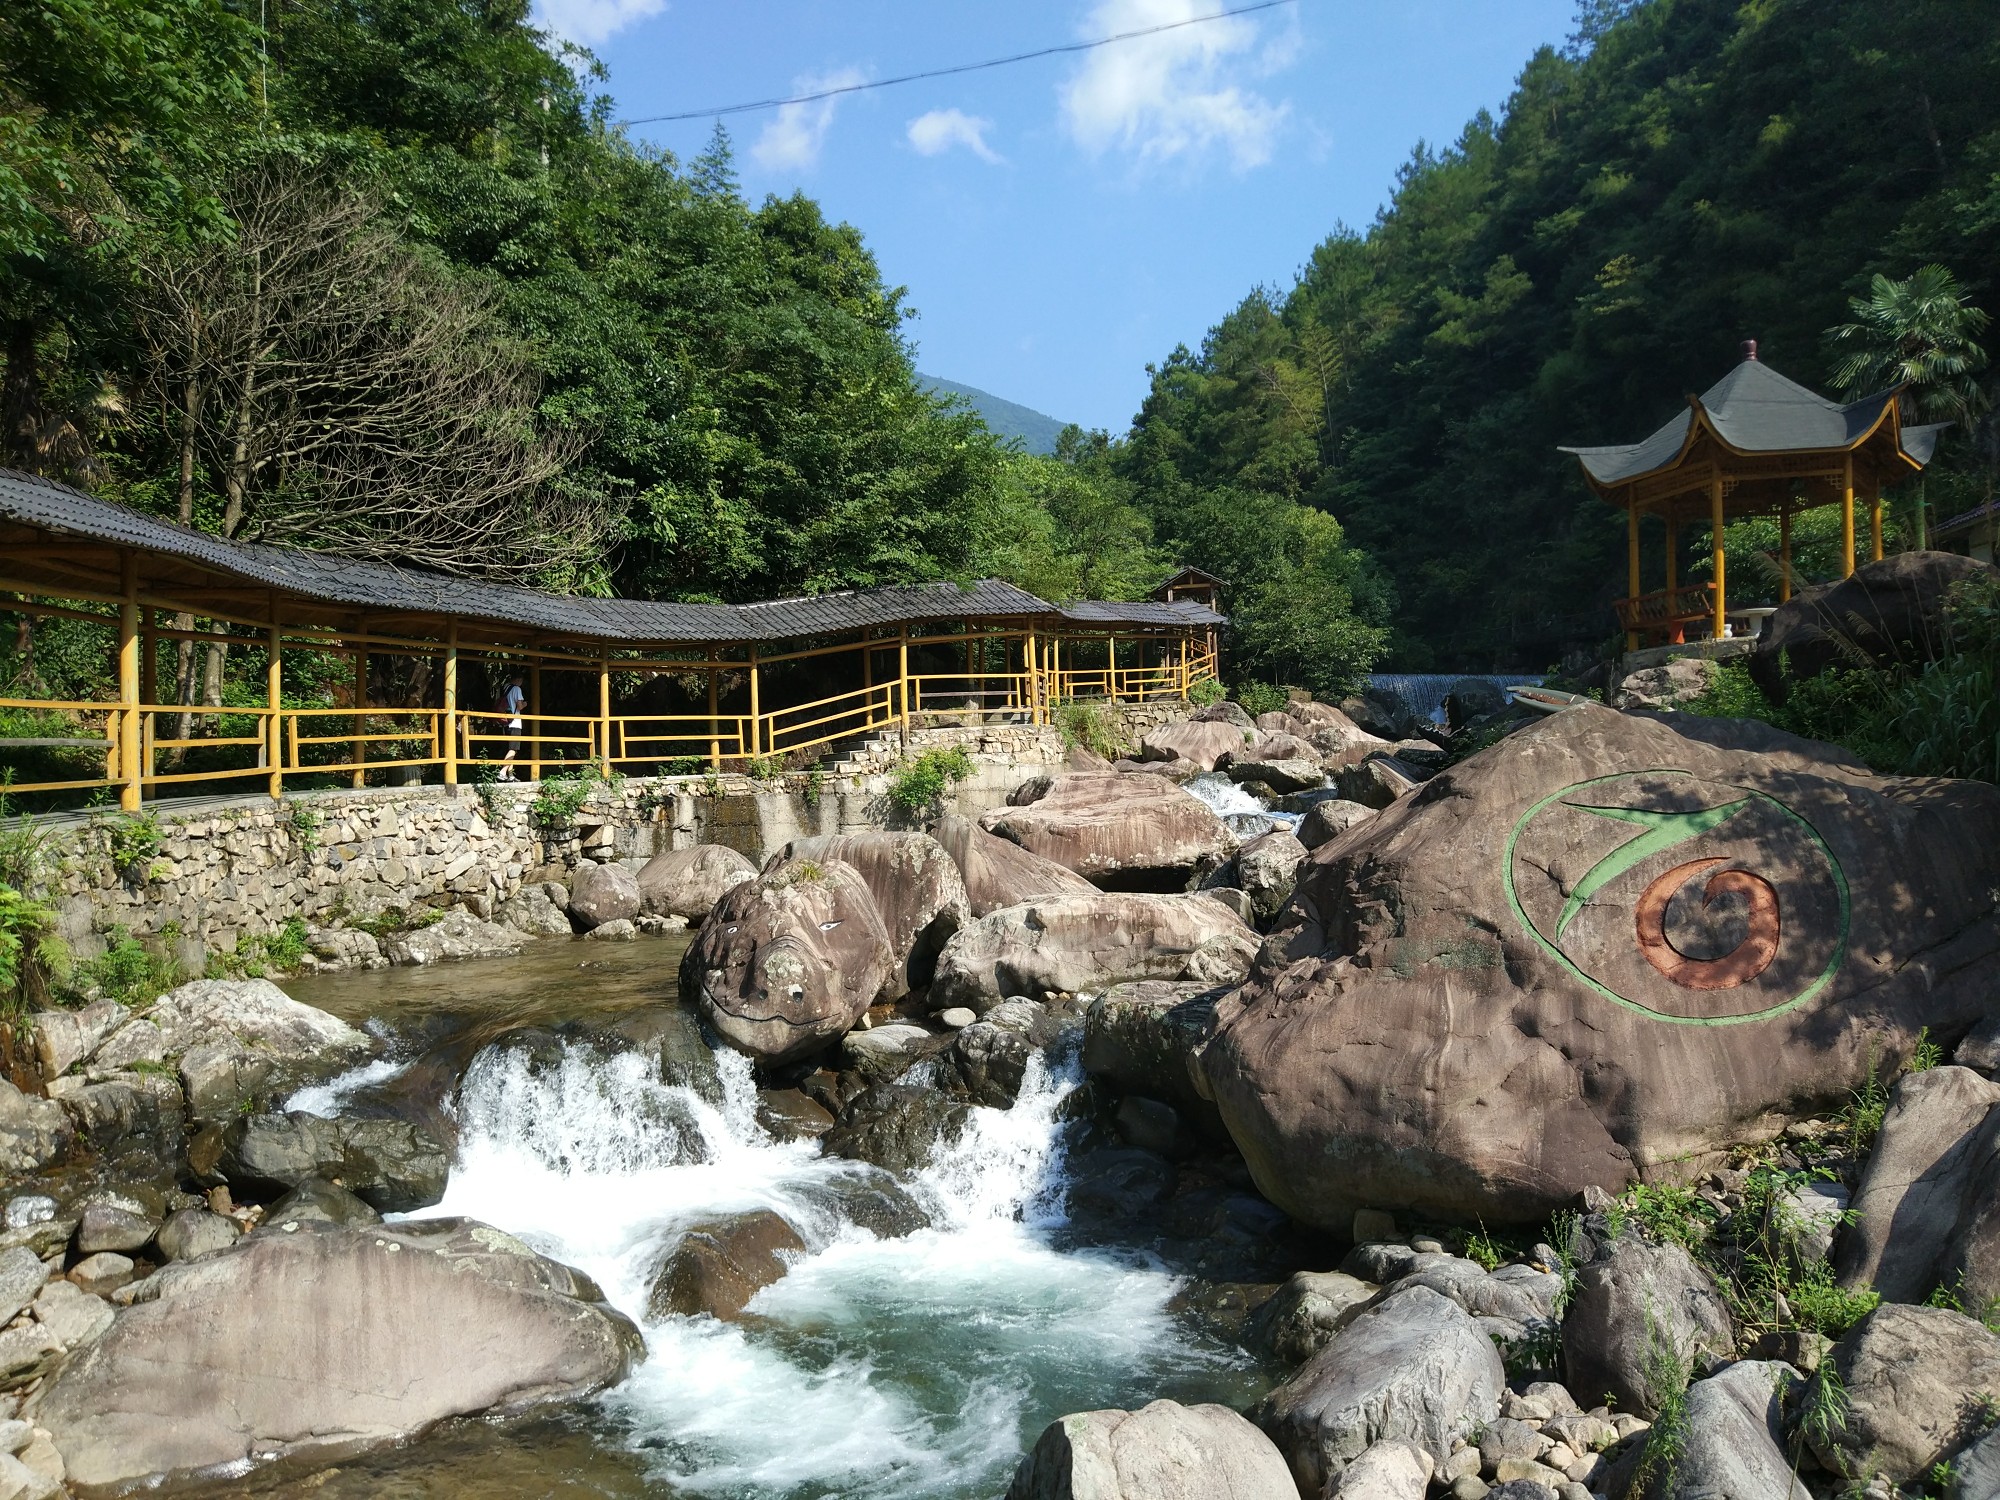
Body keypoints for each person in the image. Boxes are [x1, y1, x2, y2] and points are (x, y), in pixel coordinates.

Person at [496, 671, 527, 780]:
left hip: (505, 722)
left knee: (511, 748)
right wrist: (525, 704)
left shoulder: (505, 687)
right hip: (515, 722)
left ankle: (511, 775)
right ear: (519, 680)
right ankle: (502, 772)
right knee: (513, 749)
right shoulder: (517, 689)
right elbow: (519, 707)